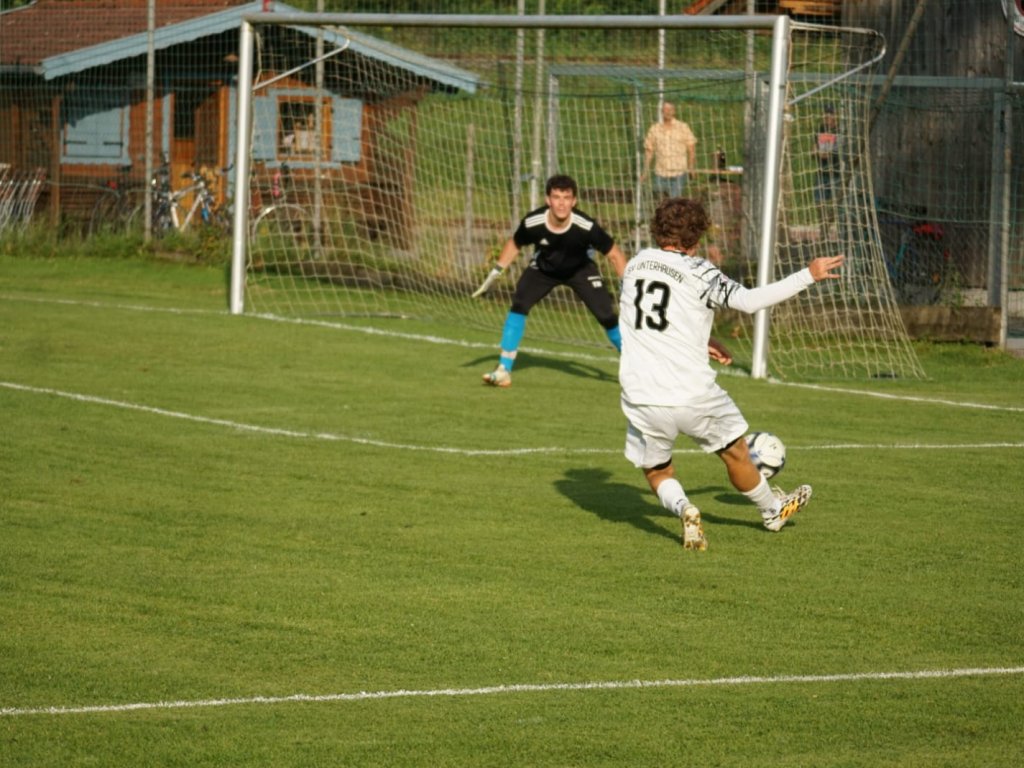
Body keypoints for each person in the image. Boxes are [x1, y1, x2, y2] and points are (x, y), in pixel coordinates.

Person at [618, 197, 844, 550]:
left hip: (641, 394)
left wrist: (703, 338)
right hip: (693, 393)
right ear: (696, 237)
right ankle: (772, 509)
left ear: (658, 230)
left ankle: (685, 508)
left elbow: (650, 320)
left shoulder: (636, 265)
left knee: (658, 470)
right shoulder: (700, 272)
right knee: (736, 452)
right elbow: (750, 301)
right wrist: (808, 274)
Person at [472, 174, 627, 388]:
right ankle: (503, 370)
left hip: (580, 269)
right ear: (548, 200)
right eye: (556, 197)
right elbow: (515, 244)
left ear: (574, 201)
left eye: (566, 197)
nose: (561, 203)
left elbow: (615, 255)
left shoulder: (586, 226)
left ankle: (634, 369)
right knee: (519, 305)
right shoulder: (533, 222)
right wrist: (496, 271)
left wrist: (628, 289)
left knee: (607, 316)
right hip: (544, 270)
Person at [641, 102, 698, 199]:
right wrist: (645, 171)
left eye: (670, 109)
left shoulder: (683, 127)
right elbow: (649, 151)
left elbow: (691, 149)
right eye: (665, 109)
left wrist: (691, 167)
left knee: (674, 203)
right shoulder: (654, 129)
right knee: (660, 203)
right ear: (661, 112)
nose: (667, 112)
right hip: (660, 173)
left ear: (674, 111)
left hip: (678, 173)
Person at [814, 104, 841, 203]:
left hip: (835, 172)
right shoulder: (820, 129)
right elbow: (814, 149)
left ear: (835, 116)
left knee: (833, 202)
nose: (827, 117)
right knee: (819, 201)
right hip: (821, 172)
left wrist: (820, 153)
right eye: (826, 114)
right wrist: (817, 151)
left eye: (831, 114)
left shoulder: (839, 130)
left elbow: (830, 153)